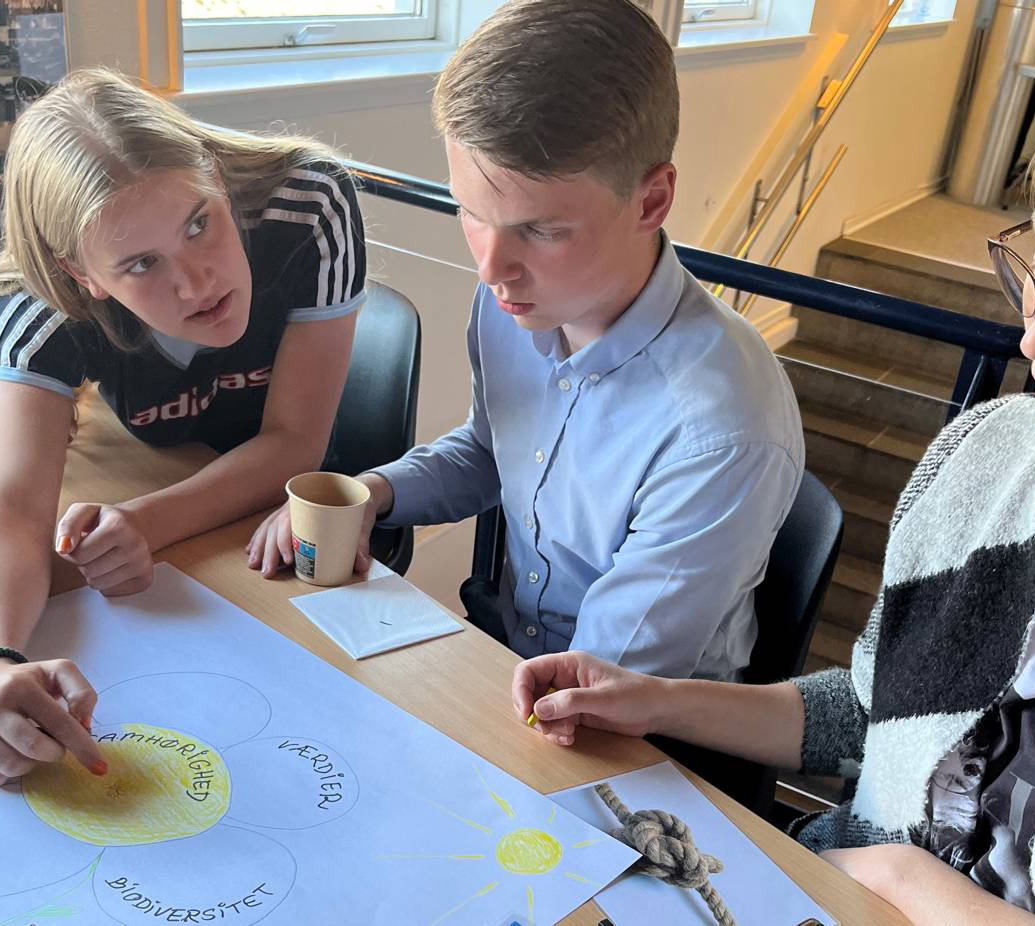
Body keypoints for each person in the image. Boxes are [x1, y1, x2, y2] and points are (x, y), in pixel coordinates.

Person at [511, 30, 1035, 926]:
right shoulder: (984, 457)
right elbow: (875, 713)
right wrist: (657, 701)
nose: (1034, 338)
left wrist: (906, 881)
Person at [247, 0, 804, 682]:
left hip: (638, 719)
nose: (490, 269)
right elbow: (493, 448)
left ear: (651, 202)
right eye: (472, 214)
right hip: (514, 656)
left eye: (540, 230)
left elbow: (596, 686)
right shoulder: (516, 301)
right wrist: (374, 494)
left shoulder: (719, 432)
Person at [0, 68, 365, 785]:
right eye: (141, 264)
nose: (198, 282)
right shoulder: (35, 308)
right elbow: (6, 506)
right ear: (82, 277)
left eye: (200, 223)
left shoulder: (311, 202)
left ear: (216, 179)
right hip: (196, 509)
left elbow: (297, 440)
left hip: (280, 521)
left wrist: (147, 521)